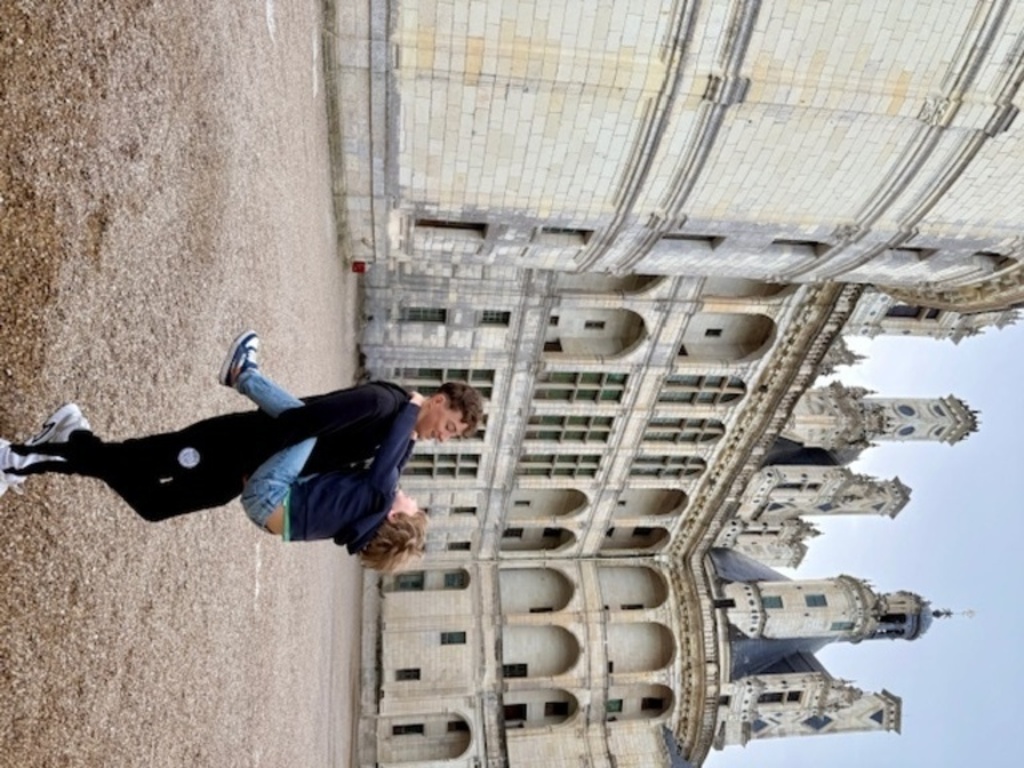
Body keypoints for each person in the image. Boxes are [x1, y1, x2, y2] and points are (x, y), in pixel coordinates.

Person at [0, 333, 485, 571]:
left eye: (453, 436)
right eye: (448, 426)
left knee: (154, 505)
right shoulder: (381, 404)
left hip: (246, 474)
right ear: (438, 400)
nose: (444, 437)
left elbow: (349, 479)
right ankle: (16, 458)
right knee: (127, 461)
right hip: (236, 445)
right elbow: (302, 421)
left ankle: (73, 435)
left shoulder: (396, 437)